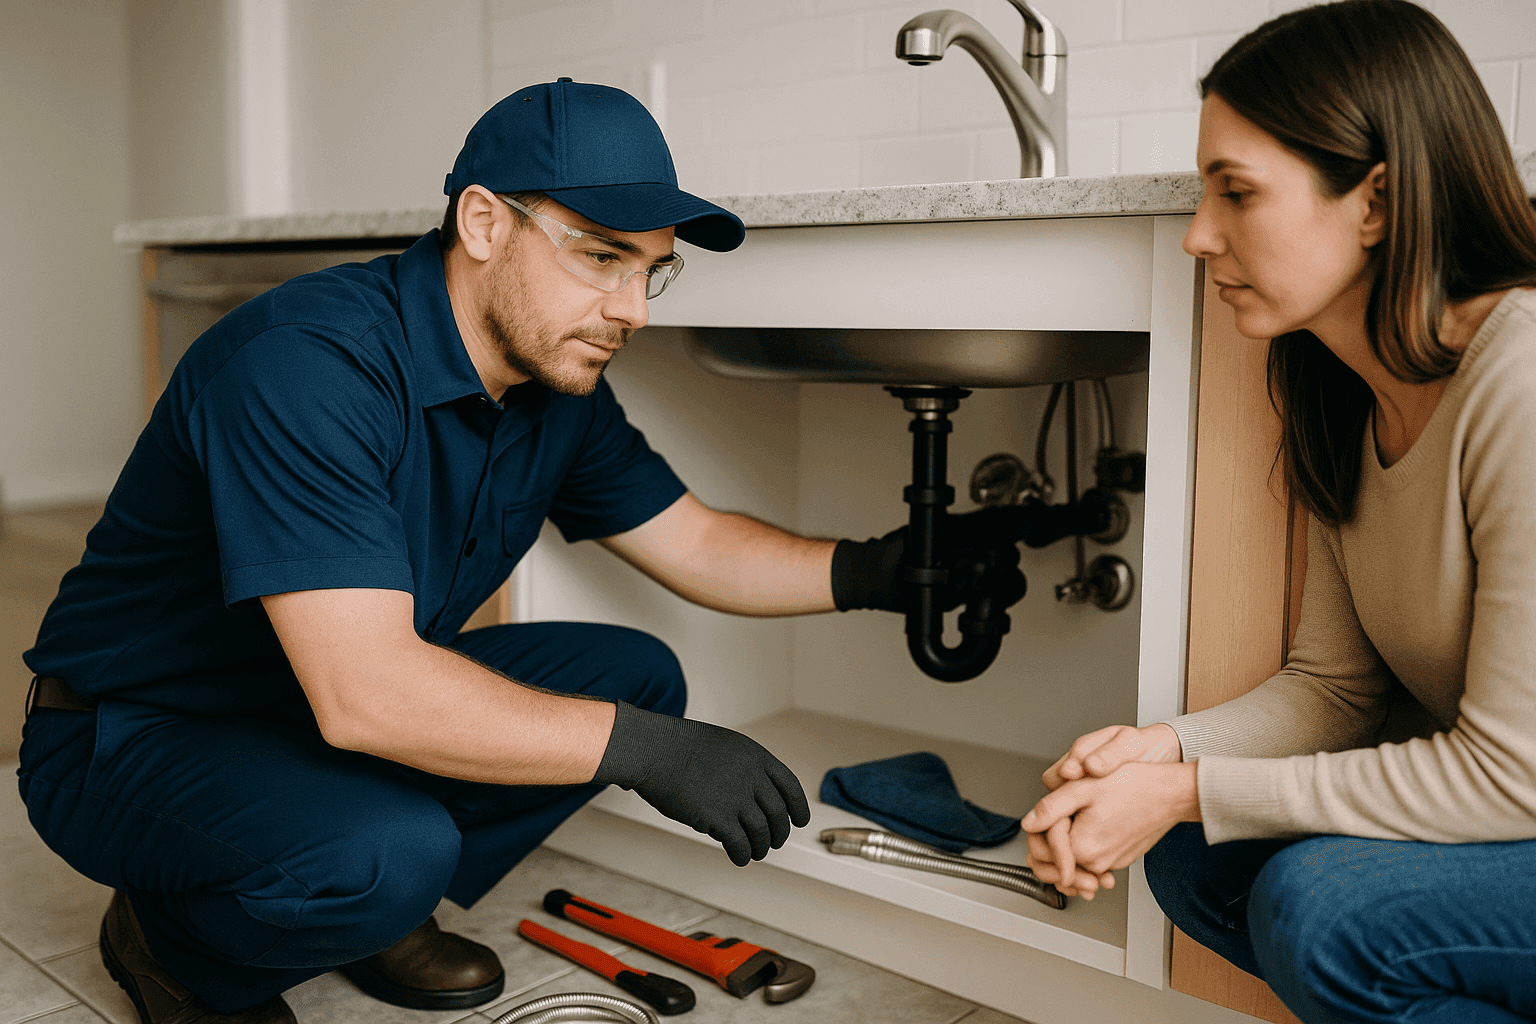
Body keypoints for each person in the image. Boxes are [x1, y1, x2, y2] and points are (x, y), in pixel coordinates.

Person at [16, 80, 1024, 1024]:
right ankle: (175, 939)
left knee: (634, 676)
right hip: (138, 734)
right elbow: (368, 694)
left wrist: (886, 571)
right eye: (602, 257)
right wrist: (649, 750)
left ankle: (366, 903)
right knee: (393, 851)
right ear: (485, 223)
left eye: (651, 270)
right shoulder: (309, 365)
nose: (634, 309)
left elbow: (699, 542)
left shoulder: (552, 385)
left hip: (307, 702)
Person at [1020, 3, 1536, 1021]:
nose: (1199, 235)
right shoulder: (1345, 390)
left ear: (1377, 200)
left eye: (1238, 192)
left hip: (1518, 791)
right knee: (1194, 859)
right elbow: (1335, 687)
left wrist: (1187, 789)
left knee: (1323, 911)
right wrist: (1161, 752)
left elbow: (1513, 775)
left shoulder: (1519, 381)